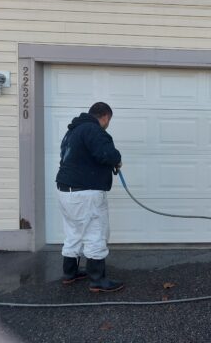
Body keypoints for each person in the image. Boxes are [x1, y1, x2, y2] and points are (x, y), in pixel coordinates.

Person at [55, 102, 124, 292]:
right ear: (105, 117)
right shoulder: (93, 130)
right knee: (96, 233)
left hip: (65, 190)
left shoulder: (72, 132)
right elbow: (107, 154)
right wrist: (117, 159)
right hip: (86, 192)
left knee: (73, 232)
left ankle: (70, 273)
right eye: (108, 120)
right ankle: (98, 280)